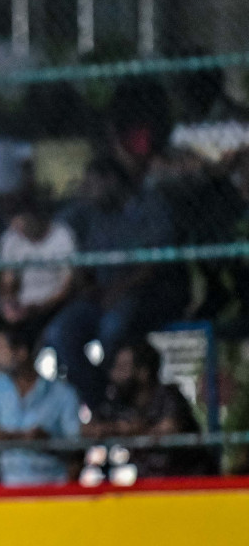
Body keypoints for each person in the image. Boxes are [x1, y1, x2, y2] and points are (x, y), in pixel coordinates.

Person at [46, 157, 177, 407]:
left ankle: (116, 398)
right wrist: (87, 286)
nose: (88, 190)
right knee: (60, 332)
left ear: (111, 181)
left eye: (93, 184)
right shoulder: (90, 214)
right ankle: (98, 401)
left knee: (111, 329)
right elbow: (72, 249)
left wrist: (119, 289)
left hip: (140, 292)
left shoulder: (147, 206)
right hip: (101, 296)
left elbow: (154, 262)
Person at [0, 323, 81, 487]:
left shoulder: (63, 393)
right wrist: (23, 437)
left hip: (53, 490)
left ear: (21, 352)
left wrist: (48, 441)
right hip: (9, 490)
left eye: (0, 349)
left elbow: (77, 448)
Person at [85, 340, 211, 478]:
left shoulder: (168, 395)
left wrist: (134, 430)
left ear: (143, 373)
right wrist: (114, 428)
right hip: (147, 485)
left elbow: (168, 430)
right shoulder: (119, 402)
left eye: (123, 368)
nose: (115, 375)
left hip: (188, 484)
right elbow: (89, 428)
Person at [0, 188, 76, 331]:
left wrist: (40, 308)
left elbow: (68, 285)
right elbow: (7, 280)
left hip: (56, 308)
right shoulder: (11, 238)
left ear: (34, 215)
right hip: (23, 309)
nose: (16, 226)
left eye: (21, 219)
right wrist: (10, 304)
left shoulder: (62, 236)